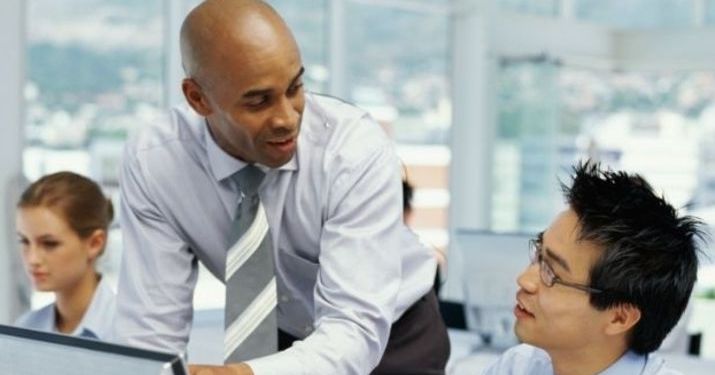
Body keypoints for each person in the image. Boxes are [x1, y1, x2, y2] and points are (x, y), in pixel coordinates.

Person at [114, 0, 449, 374]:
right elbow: (150, 330)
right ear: (198, 98)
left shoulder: (351, 151)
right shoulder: (156, 163)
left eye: (295, 88)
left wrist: (245, 373)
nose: (288, 119)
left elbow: (354, 328)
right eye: (258, 101)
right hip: (283, 337)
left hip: (392, 334)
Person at [484, 162, 703, 375]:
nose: (524, 279)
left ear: (619, 317)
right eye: (539, 256)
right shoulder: (518, 366)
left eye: (551, 273)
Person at [14, 171, 115, 340]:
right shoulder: (25, 329)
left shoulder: (130, 334)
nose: (32, 259)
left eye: (49, 244)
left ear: (95, 243)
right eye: (25, 241)